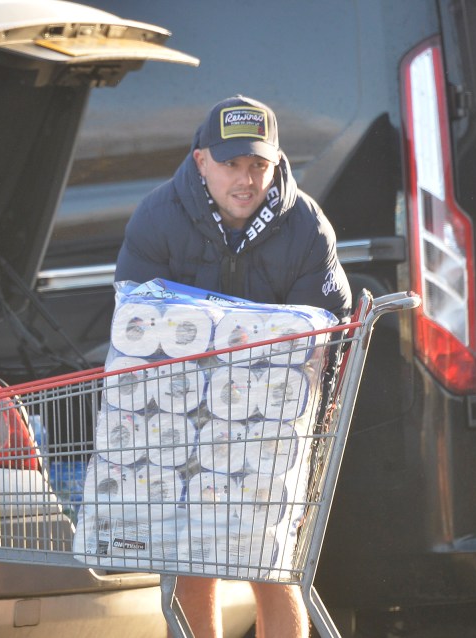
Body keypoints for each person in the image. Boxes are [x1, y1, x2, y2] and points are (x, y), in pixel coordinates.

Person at [115, 95, 351, 638]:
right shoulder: (156, 217)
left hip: (275, 414)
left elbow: (326, 330)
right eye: (231, 164)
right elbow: (135, 324)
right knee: (192, 557)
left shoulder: (307, 226)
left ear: (275, 161)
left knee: (272, 558)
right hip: (184, 410)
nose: (246, 180)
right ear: (201, 161)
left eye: (258, 165)